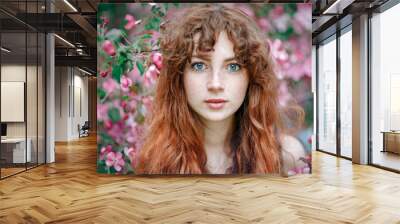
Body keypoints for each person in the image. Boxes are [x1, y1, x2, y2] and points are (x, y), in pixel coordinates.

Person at [136, 4, 308, 175]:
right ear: (179, 77)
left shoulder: (287, 157)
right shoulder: (155, 161)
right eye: (199, 66)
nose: (215, 84)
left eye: (233, 66)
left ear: (252, 77)